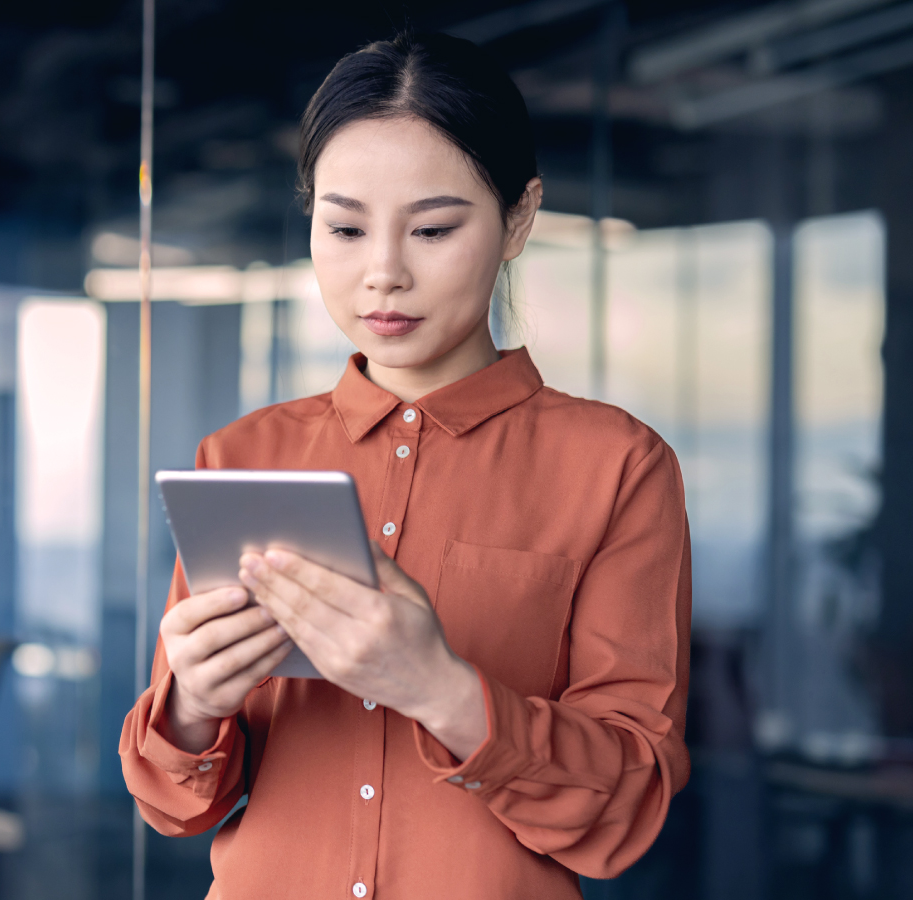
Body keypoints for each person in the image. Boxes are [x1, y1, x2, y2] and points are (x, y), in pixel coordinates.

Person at [120, 31, 690, 899]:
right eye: (344, 227)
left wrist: (446, 692)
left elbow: (628, 806)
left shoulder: (618, 468)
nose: (382, 273)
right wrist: (193, 705)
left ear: (519, 219)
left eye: (431, 228)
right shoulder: (241, 457)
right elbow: (175, 801)